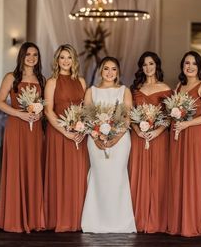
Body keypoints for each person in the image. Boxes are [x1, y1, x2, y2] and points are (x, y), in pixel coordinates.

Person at [81, 56, 136, 233]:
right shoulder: (91, 91)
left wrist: (115, 137)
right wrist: (96, 138)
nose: (110, 72)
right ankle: (95, 221)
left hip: (120, 141)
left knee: (117, 177)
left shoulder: (124, 90)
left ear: (118, 72)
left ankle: (120, 222)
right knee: (99, 177)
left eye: (114, 69)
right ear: (100, 71)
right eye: (106, 68)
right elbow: (88, 117)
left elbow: (127, 117)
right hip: (95, 140)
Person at [0, 42, 45, 233]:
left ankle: (32, 219)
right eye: (28, 54)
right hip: (17, 128)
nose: (32, 58)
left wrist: (38, 114)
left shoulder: (41, 79)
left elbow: (43, 105)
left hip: (34, 131)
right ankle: (15, 218)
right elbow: (0, 102)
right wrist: (19, 114)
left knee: (33, 169)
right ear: (22, 57)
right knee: (17, 169)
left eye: (35, 55)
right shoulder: (12, 77)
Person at [167, 51, 201, 237]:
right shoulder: (180, 86)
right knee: (180, 176)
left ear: (199, 66)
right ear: (182, 65)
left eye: (194, 63)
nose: (190, 66)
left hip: (196, 136)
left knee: (193, 176)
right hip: (179, 136)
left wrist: (187, 123)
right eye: (186, 63)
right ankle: (181, 222)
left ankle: (195, 222)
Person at [44, 44, 89, 232]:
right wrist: (65, 132)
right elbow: (48, 110)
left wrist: (81, 129)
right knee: (60, 174)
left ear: (74, 60)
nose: (65, 61)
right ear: (57, 60)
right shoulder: (52, 81)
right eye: (62, 57)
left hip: (79, 135)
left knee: (78, 174)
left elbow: (86, 110)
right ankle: (60, 218)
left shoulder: (82, 81)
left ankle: (78, 219)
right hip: (59, 134)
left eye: (68, 57)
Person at [129, 51, 171, 233]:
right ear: (141, 68)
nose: (148, 68)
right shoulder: (135, 89)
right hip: (139, 138)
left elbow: (170, 116)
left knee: (159, 175)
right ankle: (139, 219)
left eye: (151, 64)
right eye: (144, 65)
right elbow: (130, 115)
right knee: (138, 175)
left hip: (159, 137)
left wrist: (158, 131)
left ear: (157, 66)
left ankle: (158, 220)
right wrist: (138, 131)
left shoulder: (166, 88)